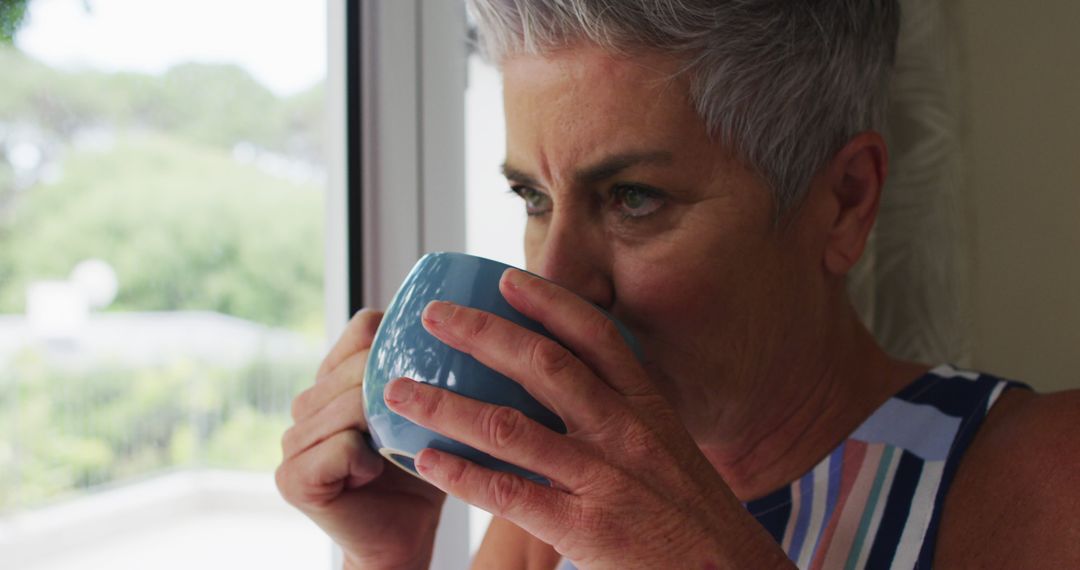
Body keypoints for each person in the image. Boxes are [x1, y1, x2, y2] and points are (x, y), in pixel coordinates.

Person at [275, 1, 1080, 568]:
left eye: (633, 199)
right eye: (534, 198)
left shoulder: (1040, 478)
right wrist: (384, 558)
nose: (552, 281)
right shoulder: (551, 523)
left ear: (843, 204)